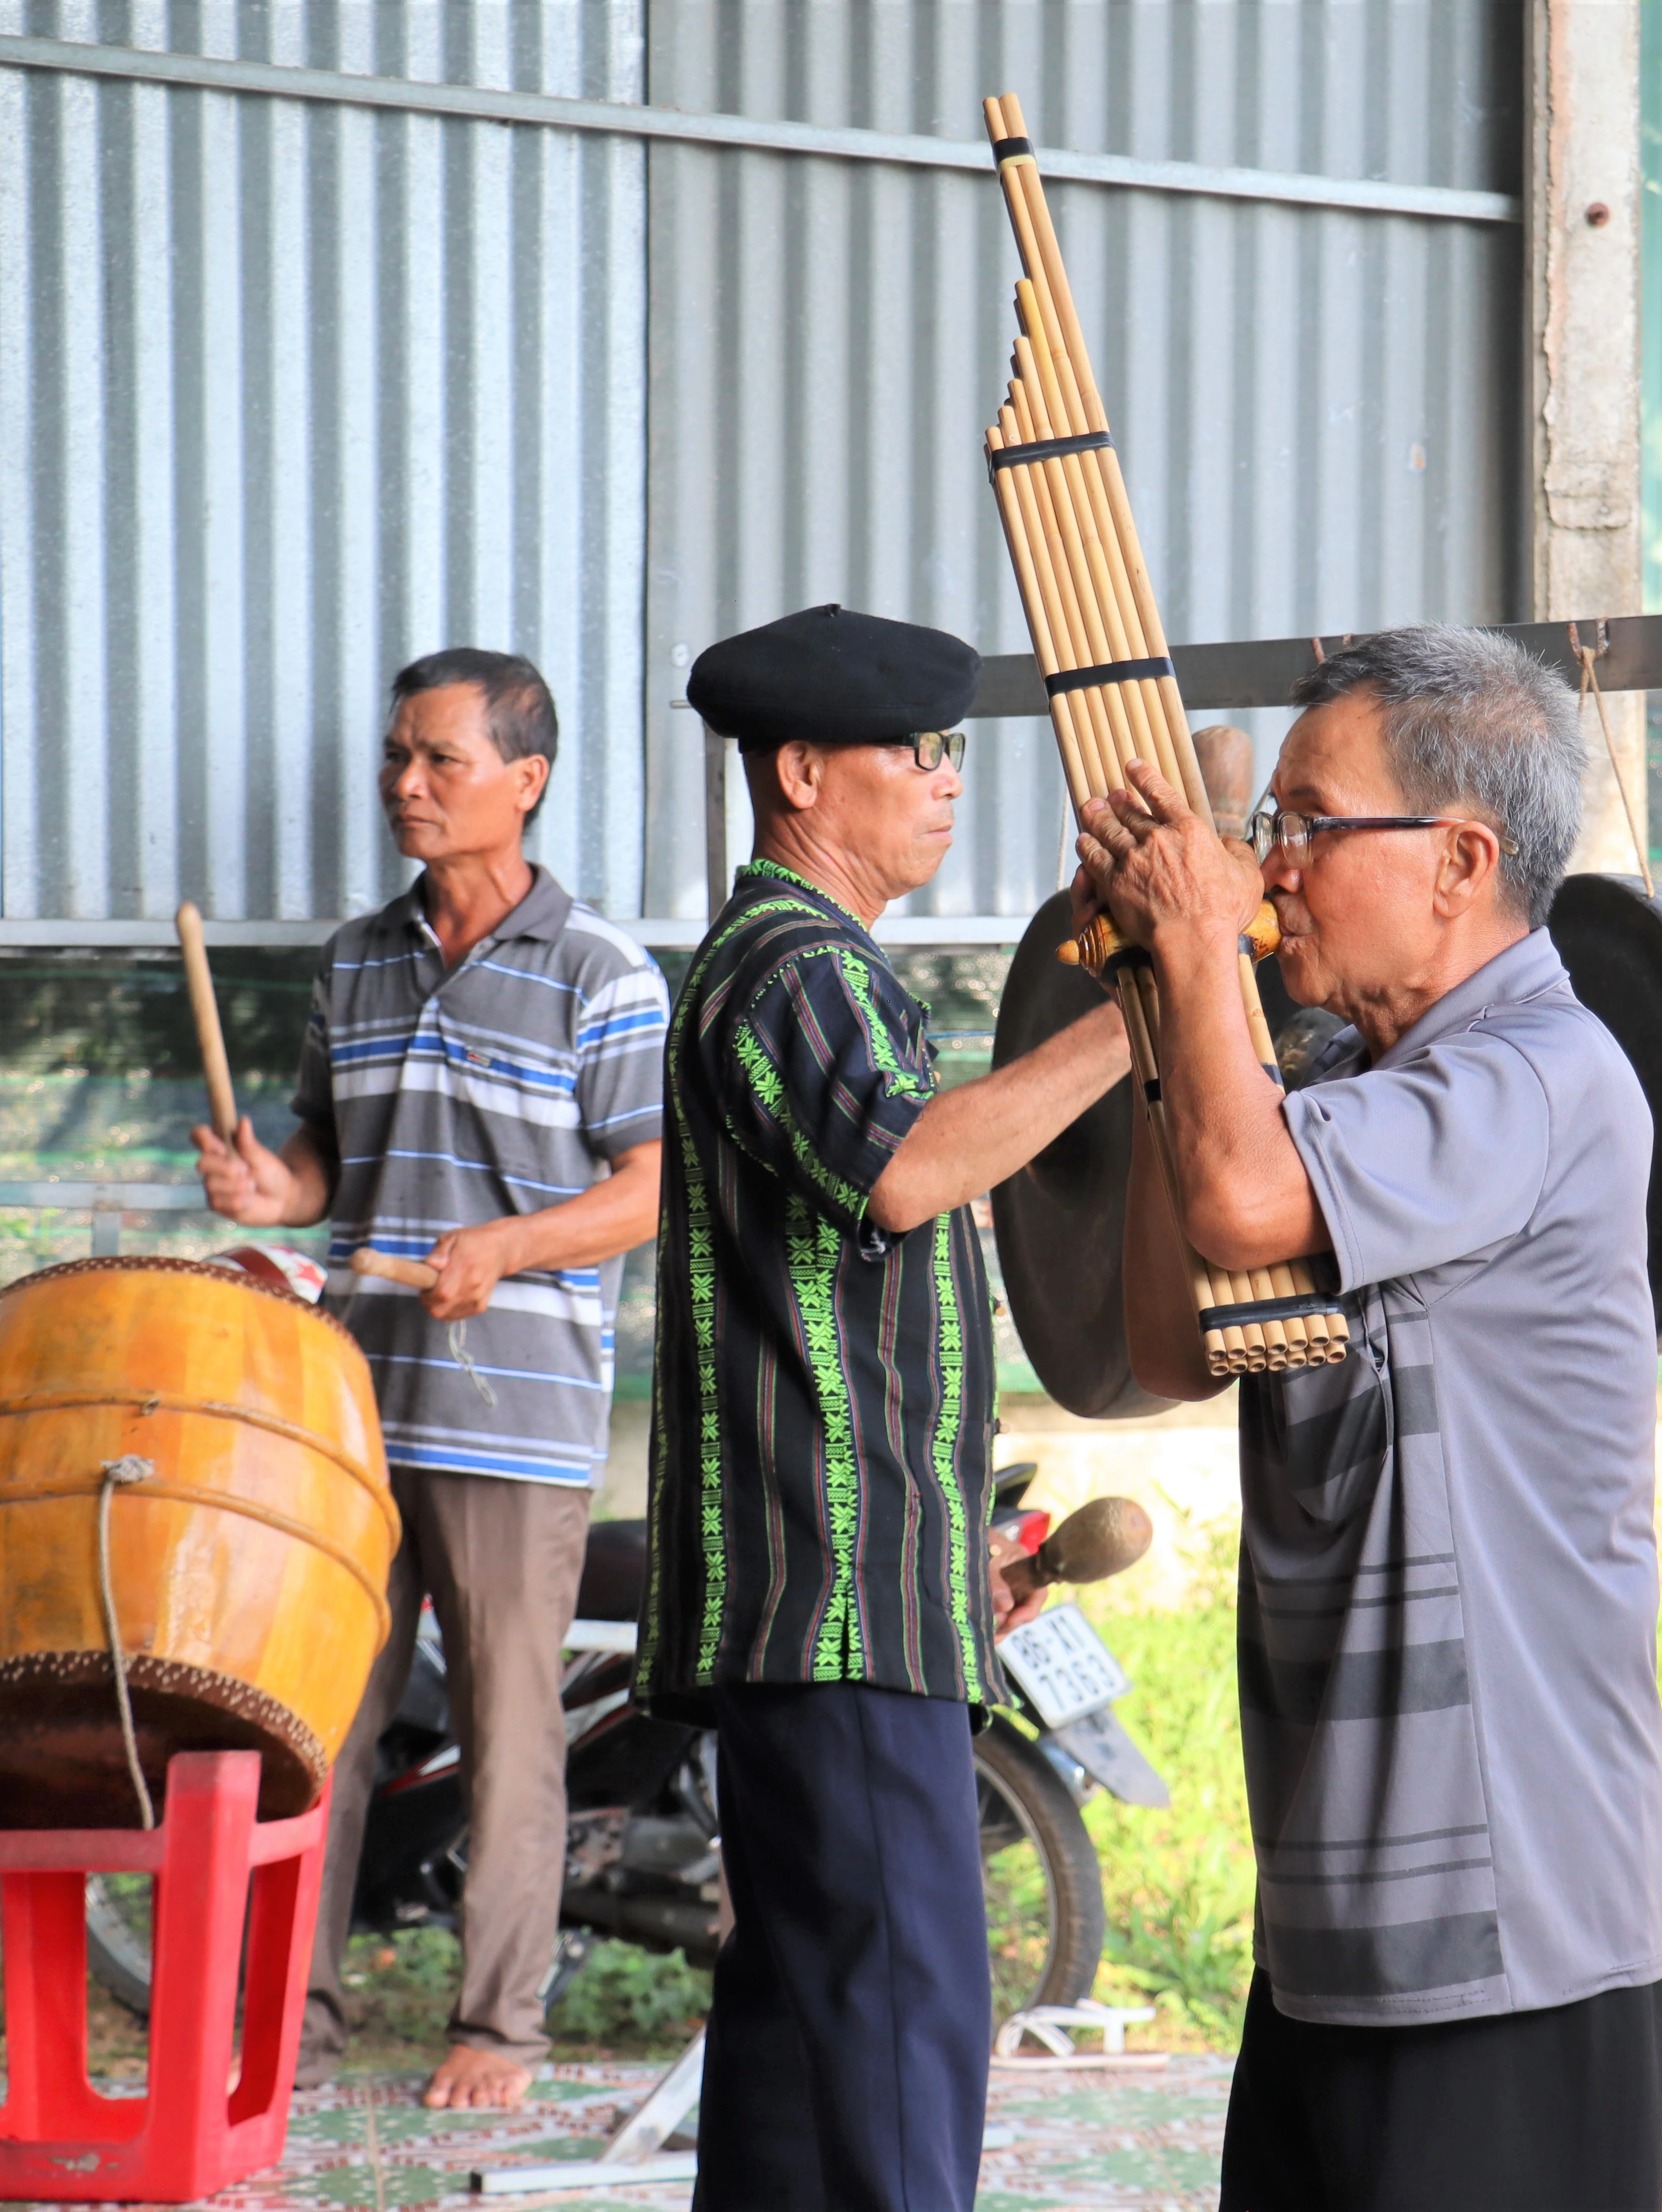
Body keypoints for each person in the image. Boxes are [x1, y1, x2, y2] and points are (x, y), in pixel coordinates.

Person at [1076, 626, 1662, 2212]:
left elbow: (1247, 1194)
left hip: (1503, 1914)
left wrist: (1202, 961)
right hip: (1344, 1903)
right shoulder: (1348, 1070)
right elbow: (1171, 1337)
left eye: (1307, 825)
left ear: (1457, 861)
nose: (1268, 865)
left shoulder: (1543, 1076)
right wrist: (1161, 1002)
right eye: (1264, 825)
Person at [642, 603, 1128, 2211]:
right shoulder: (791, 967)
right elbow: (911, 1173)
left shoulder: (822, 969)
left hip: (857, 1599)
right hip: (829, 1608)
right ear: (799, 774)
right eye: (912, 754)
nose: (944, 782)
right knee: (905, 2029)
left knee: (802, 2049)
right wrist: (1150, 1015)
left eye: (952, 752)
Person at [194, 646, 669, 2110]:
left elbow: (656, 1188)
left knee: (512, 1732)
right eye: (399, 757)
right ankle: (285, 2028)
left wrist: (512, 1247)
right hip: (346, 1414)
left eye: (440, 761)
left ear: (524, 782)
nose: (407, 784)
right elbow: (332, 1160)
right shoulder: (355, 958)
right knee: (314, 1728)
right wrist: (278, 1194)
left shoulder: (602, 969)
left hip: (515, 1421)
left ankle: (499, 2031)